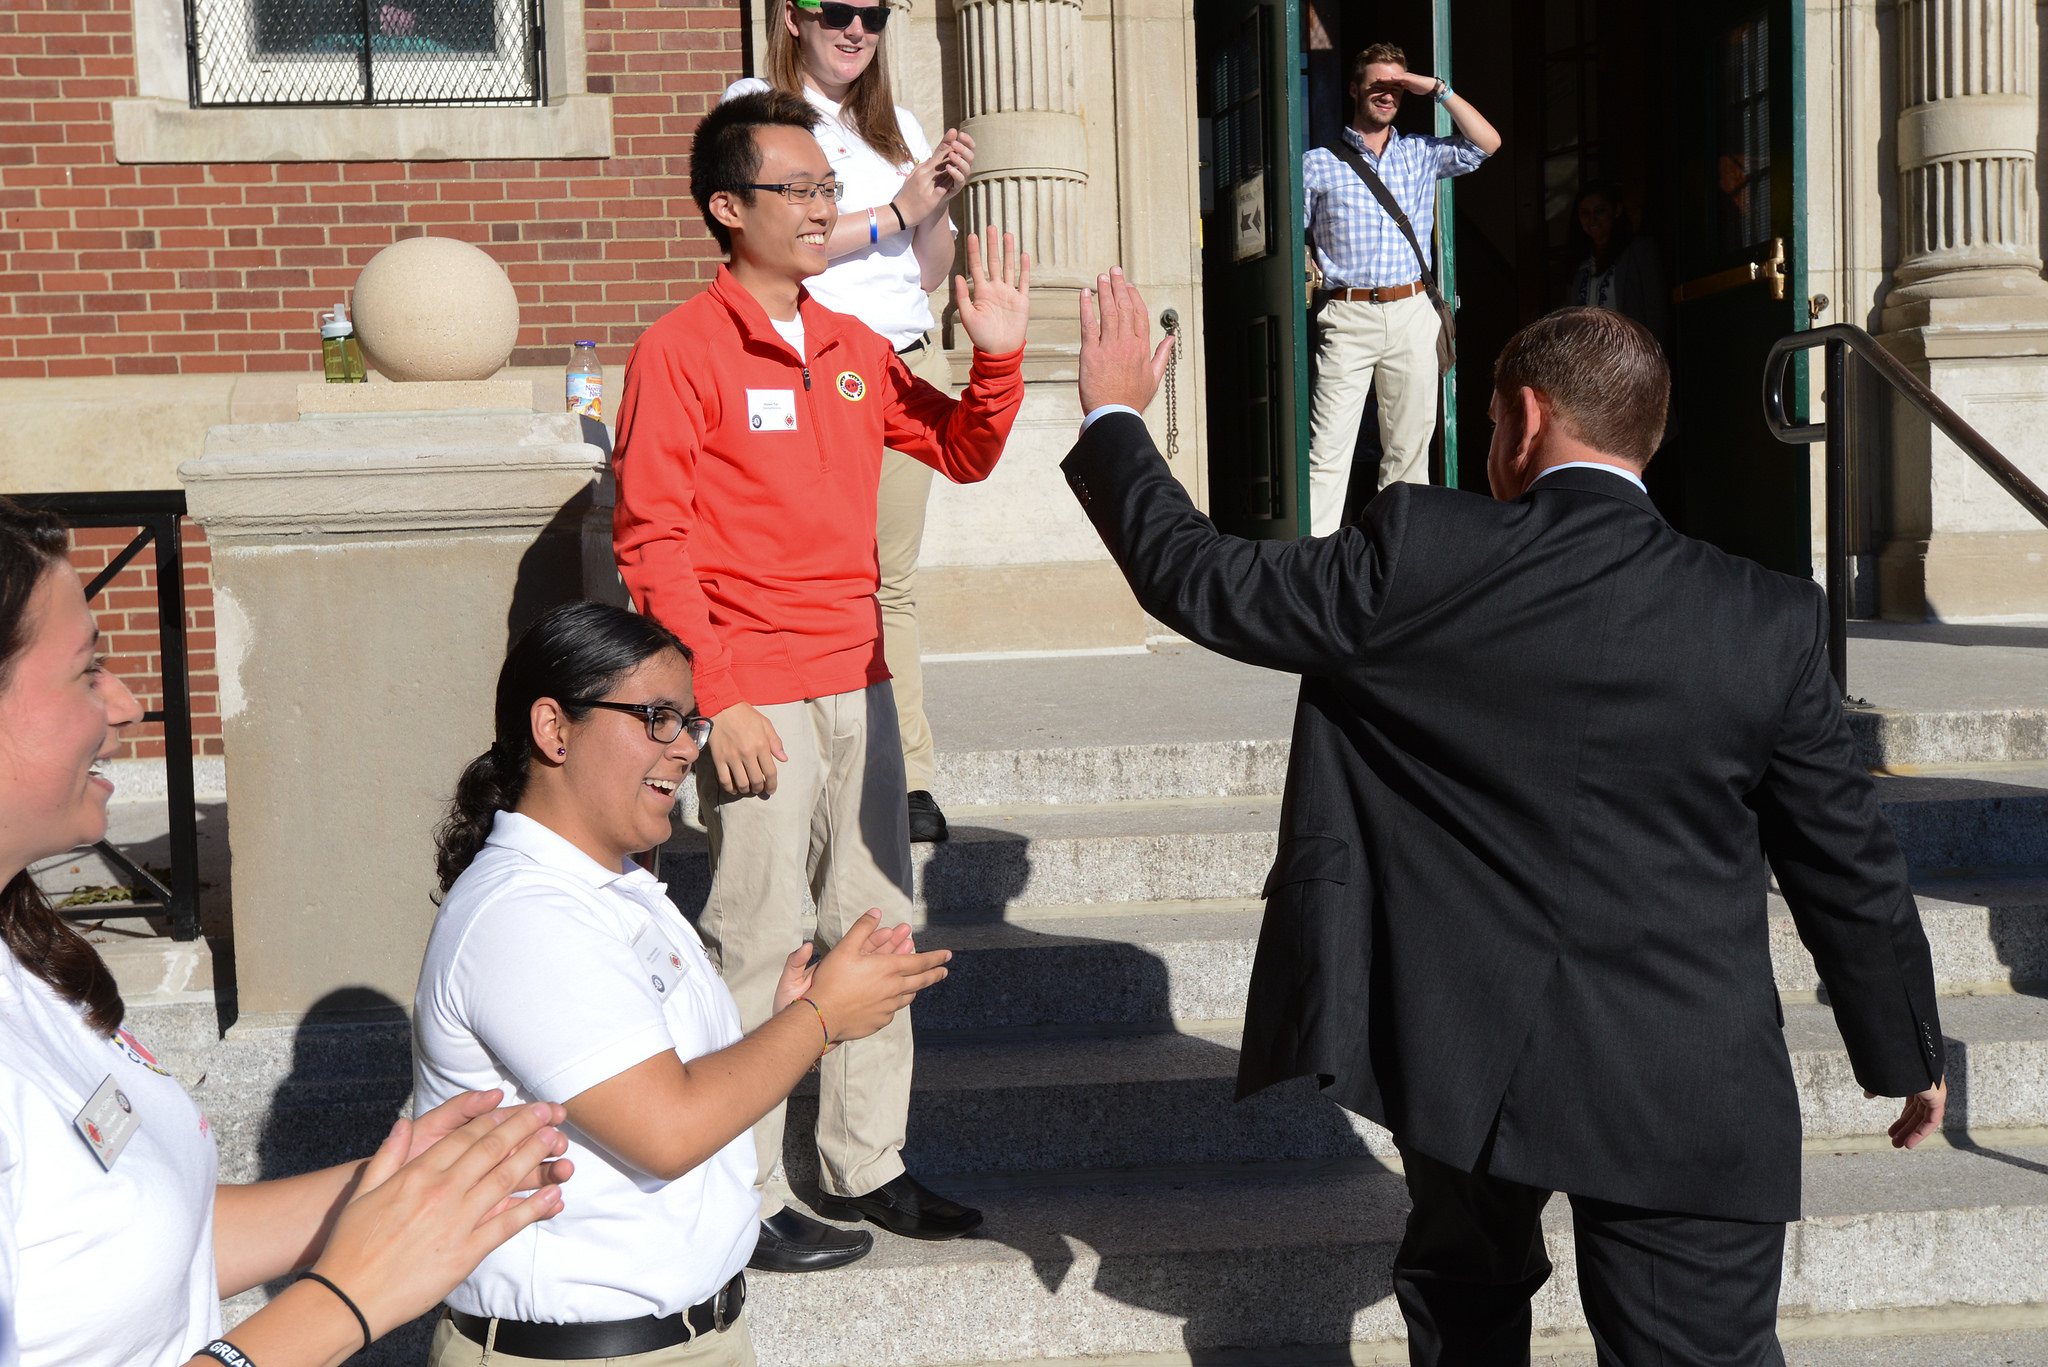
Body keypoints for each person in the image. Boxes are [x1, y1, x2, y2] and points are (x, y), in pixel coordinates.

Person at [1061, 282, 1949, 1365]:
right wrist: (1904, 1047)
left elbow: (1199, 577)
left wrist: (1114, 412)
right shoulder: (1767, 618)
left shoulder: (1419, 552)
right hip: (1683, 1074)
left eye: (1488, 421)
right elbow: (1844, 861)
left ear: (1525, 417)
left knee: (1466, 1317)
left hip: (1461, 1051)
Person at [0, 496, 576, 1367]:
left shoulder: (23, 957)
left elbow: (134, 1245)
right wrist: (348, 1299)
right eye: (87, 671)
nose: (127, 703)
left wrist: (399, 1189)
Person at [612, 89, 1029, 1272]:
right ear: (725, 208)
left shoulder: (851, 346)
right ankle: (736, 1191)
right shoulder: (678, 350)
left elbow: (960, 447)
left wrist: (996, 355)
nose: (820, 208)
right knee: (756, 937)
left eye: (825, 188)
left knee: (876, 924)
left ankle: (864, 1160)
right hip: (755, 693)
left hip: (862, 681)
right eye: (795, 189)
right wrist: (718, 697)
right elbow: (652, 539)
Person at [412, 600, 953, 1364]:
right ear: (554, 728)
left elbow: (664, 1076)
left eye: (691, 723)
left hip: (687, 1337)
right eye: (657, 718)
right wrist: (819, 1019)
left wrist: (786, 1022)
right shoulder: (523, 913)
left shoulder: (617, 885)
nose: (684, 749)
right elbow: (667, 1129)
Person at [725, 0, 975, 845]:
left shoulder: (896, 123)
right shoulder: (757, 106)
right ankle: (800, 769)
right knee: (803, 572)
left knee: (887, 581)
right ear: (793, 17)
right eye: (837, 9)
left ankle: (906, 776)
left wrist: (936, 204)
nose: (856, 27)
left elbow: (926, 271)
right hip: (810, 370)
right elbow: (772, 236)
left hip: (905, 363)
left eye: (873, 12)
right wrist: (899, 209)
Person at [1302, 42, 1500, 536]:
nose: (1388, 94)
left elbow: (1488, 142)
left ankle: (1397, 561)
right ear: (1354, 89)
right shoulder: (1317, 164)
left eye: (1397, 86)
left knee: (1410, 453)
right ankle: (1310, 562)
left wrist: (1434, 89)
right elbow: (1287, 238)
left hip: (1412, 309)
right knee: (1327, 451)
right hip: (1347, 315)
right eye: (1377, 84)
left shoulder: (1420, 153)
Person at [1568, 181, 1668, 345]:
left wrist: (1654, 351)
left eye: (1600, 211)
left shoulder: (1639, 250)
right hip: (1589, 353)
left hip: (1630, 350)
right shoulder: (1580, 261)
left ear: (1617, 210)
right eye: (1585, 213)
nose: (1592, 219)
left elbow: (1656, 309)